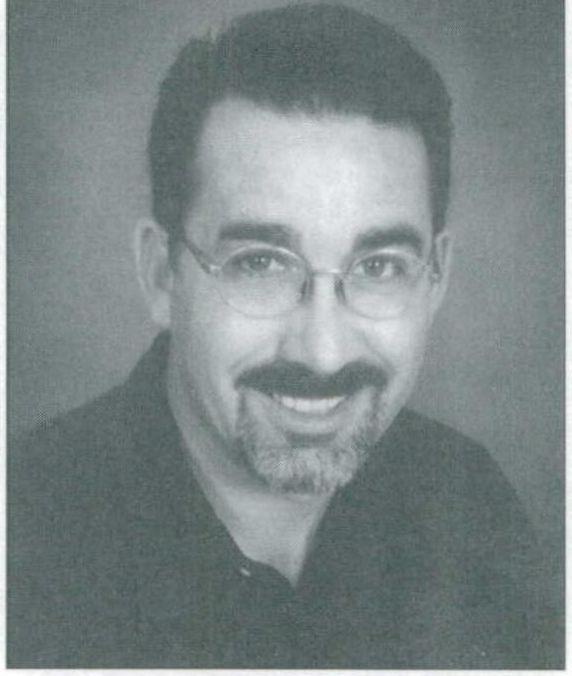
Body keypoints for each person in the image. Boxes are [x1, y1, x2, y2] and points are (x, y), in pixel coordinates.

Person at [8, 3, 555, 668]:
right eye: (260, 264)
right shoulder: (23, 540)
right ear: (161, 275)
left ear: (435, 278)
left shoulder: (470, 507)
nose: (322, 352)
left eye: (379, 267)